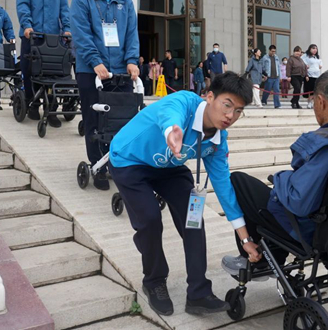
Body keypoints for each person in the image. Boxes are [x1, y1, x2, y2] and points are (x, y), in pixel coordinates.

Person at [108, 72, 256, 316]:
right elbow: (169, 114)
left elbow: (224, 188)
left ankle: (198, 293)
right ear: (210, 97)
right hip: (129, 160)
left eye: (239, 110)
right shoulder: (184, 103)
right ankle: (154, 281)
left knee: (193, 220)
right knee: (150, 219)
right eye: (227, 105)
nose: (231, 116)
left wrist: (245, 239)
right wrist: (171, 131)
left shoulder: (218, 141)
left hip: (169, 167)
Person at [221, 70, 328, 274]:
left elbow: (298, 201)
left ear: (320, 101)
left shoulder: (326, 144)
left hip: (309, 229)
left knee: (239, 182)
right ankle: (271, 255)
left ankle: (255, 261)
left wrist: (282, 177)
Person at [70, 0, 140, 189]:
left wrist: (132, 60)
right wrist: (95, 61)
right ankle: (97, 165)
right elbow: (81, 34)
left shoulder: (125, 1)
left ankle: (117, 163)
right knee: (94, 120)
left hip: (120, 71)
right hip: (91, 71)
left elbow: (132, 34)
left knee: (121, 121)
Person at [16, 0, 71, 126]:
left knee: (54, 73)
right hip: (32, 35)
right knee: (29, 71)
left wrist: (67, 29)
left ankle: (51, 110)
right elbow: (22, 4)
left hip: (54, 37)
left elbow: (64, 8)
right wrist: (26, 25)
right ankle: (33, 104)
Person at [302, 44, 322, 109]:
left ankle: (313, 102)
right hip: (309, 75)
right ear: (310, 49)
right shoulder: (306, 56)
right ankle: (309, 102)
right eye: (313, 48)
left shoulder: (317, 57)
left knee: (315, 90)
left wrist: (320, 65)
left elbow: (320, 63)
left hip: (317, 75)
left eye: (316, 48)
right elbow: (302, 61)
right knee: (309, 90)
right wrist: (306, 68)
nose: (315, 50)